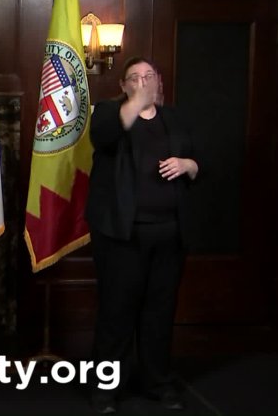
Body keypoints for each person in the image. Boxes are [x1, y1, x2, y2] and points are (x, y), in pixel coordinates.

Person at [85, 57, 202, 414]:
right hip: (123, 236)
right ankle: (106, 389)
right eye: (134, 78)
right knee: (116, 313)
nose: (143, 81)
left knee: (159, 312)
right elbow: (104, 137)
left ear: (160, 81)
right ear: (123, 86)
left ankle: (157, 382)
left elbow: (201, 162)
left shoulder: (176, 119)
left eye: (149, 76)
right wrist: (137, 100)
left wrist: (188, 166)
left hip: (169, 234)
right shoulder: (107, 113)